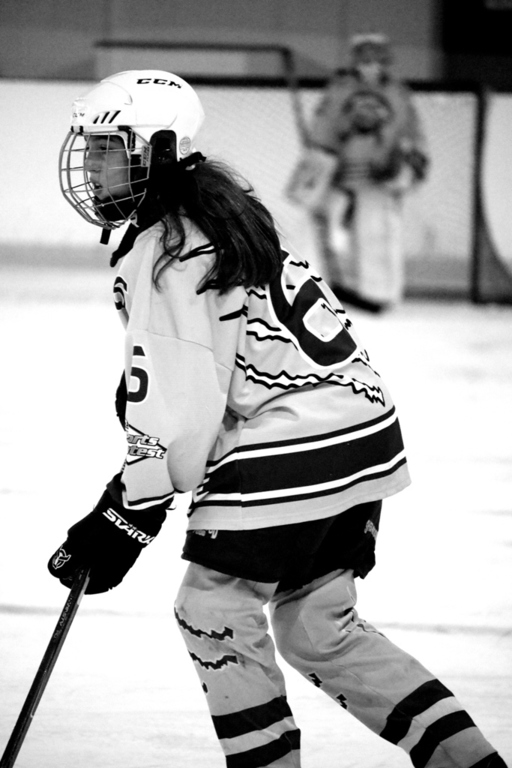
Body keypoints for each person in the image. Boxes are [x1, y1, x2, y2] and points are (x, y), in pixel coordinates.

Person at [48, 70, 505, 768]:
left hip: (293, 438)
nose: (93, 167)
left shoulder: (168, 247)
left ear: (159, 151)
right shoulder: (223, 210)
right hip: (362, 434)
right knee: (319, 629)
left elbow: (183, 412)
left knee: (212, 610)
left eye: (109, 150)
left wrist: (127, 510)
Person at [287, 33, 429, 313]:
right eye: (364, 58)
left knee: (378, 233)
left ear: (385, 61)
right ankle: (312, 289)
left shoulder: (397, 93)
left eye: (376, 58)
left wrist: (405, 165)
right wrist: (320, 165)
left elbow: (410, 133)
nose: (370, 65)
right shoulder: (340, 89)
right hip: (339, 174)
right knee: (316, 231)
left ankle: (377, 294)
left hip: (378, 178)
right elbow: (324, 127)